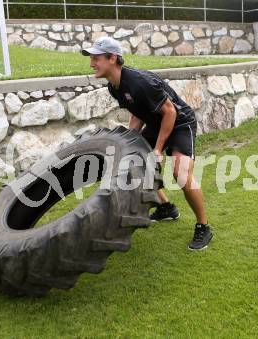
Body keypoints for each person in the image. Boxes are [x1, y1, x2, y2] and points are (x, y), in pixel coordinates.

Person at [81, 37, 213, 250]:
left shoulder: (140, 82)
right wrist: (131, 138)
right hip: (156, 122)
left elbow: (170, 111)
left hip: (179, 122)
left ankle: (203, 227)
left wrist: (158, 149)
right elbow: (139, 112)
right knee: (136, 161)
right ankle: (166, 208)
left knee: (181, 173)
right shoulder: (114, 87)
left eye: (96, 58)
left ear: (112, 58)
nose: (91, 63)